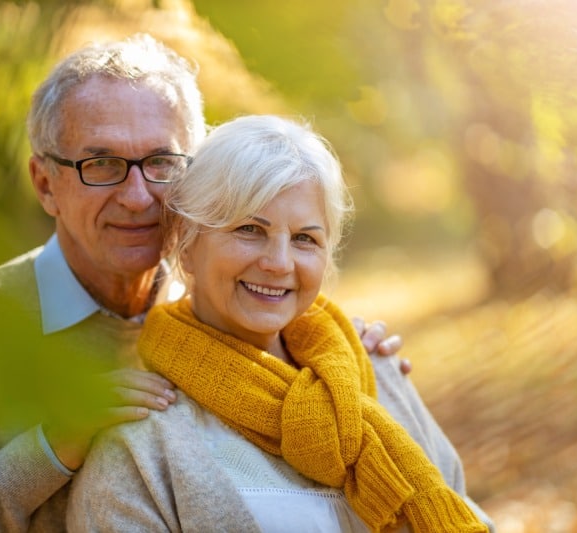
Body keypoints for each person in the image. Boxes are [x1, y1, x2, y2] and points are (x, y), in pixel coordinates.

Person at [0, 35, 404, 532]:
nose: (138, 197)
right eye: (102, 165)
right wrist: (49, 449)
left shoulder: (222, 309)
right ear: (45, 183)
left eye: (161, 162)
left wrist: (353, 362)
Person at [67, 115, 494, 532]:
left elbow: (466, 510)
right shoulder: (140, 443)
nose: (278, 263)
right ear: (187, 246)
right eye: (250, 229)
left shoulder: (376, 371)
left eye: (305, 239)